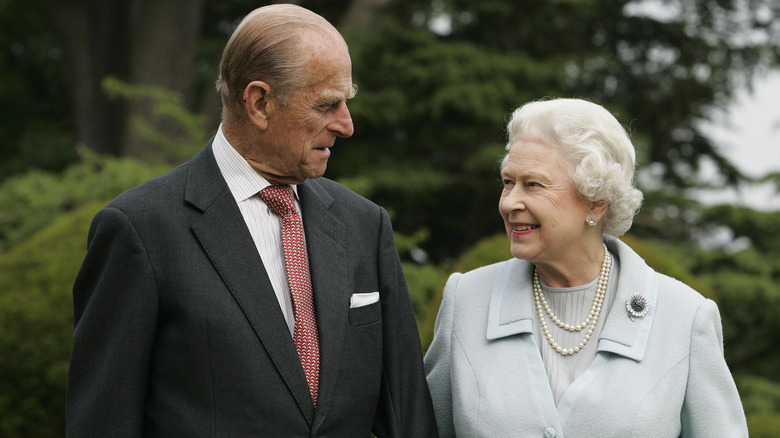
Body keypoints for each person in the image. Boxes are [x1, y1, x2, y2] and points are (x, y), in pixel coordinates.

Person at [66, 4, 437, 437]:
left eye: (346, 102)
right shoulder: (140, 231)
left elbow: (409, 417)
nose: (347, 125)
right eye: (327, 104)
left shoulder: (365, 226)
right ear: (259, 102)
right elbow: (103, 423)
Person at [424, 98, 748, 437]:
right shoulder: (467, 300)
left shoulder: (684, 317)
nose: (510, 202)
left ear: (595, 201)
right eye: (508, 182)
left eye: (533, 184)